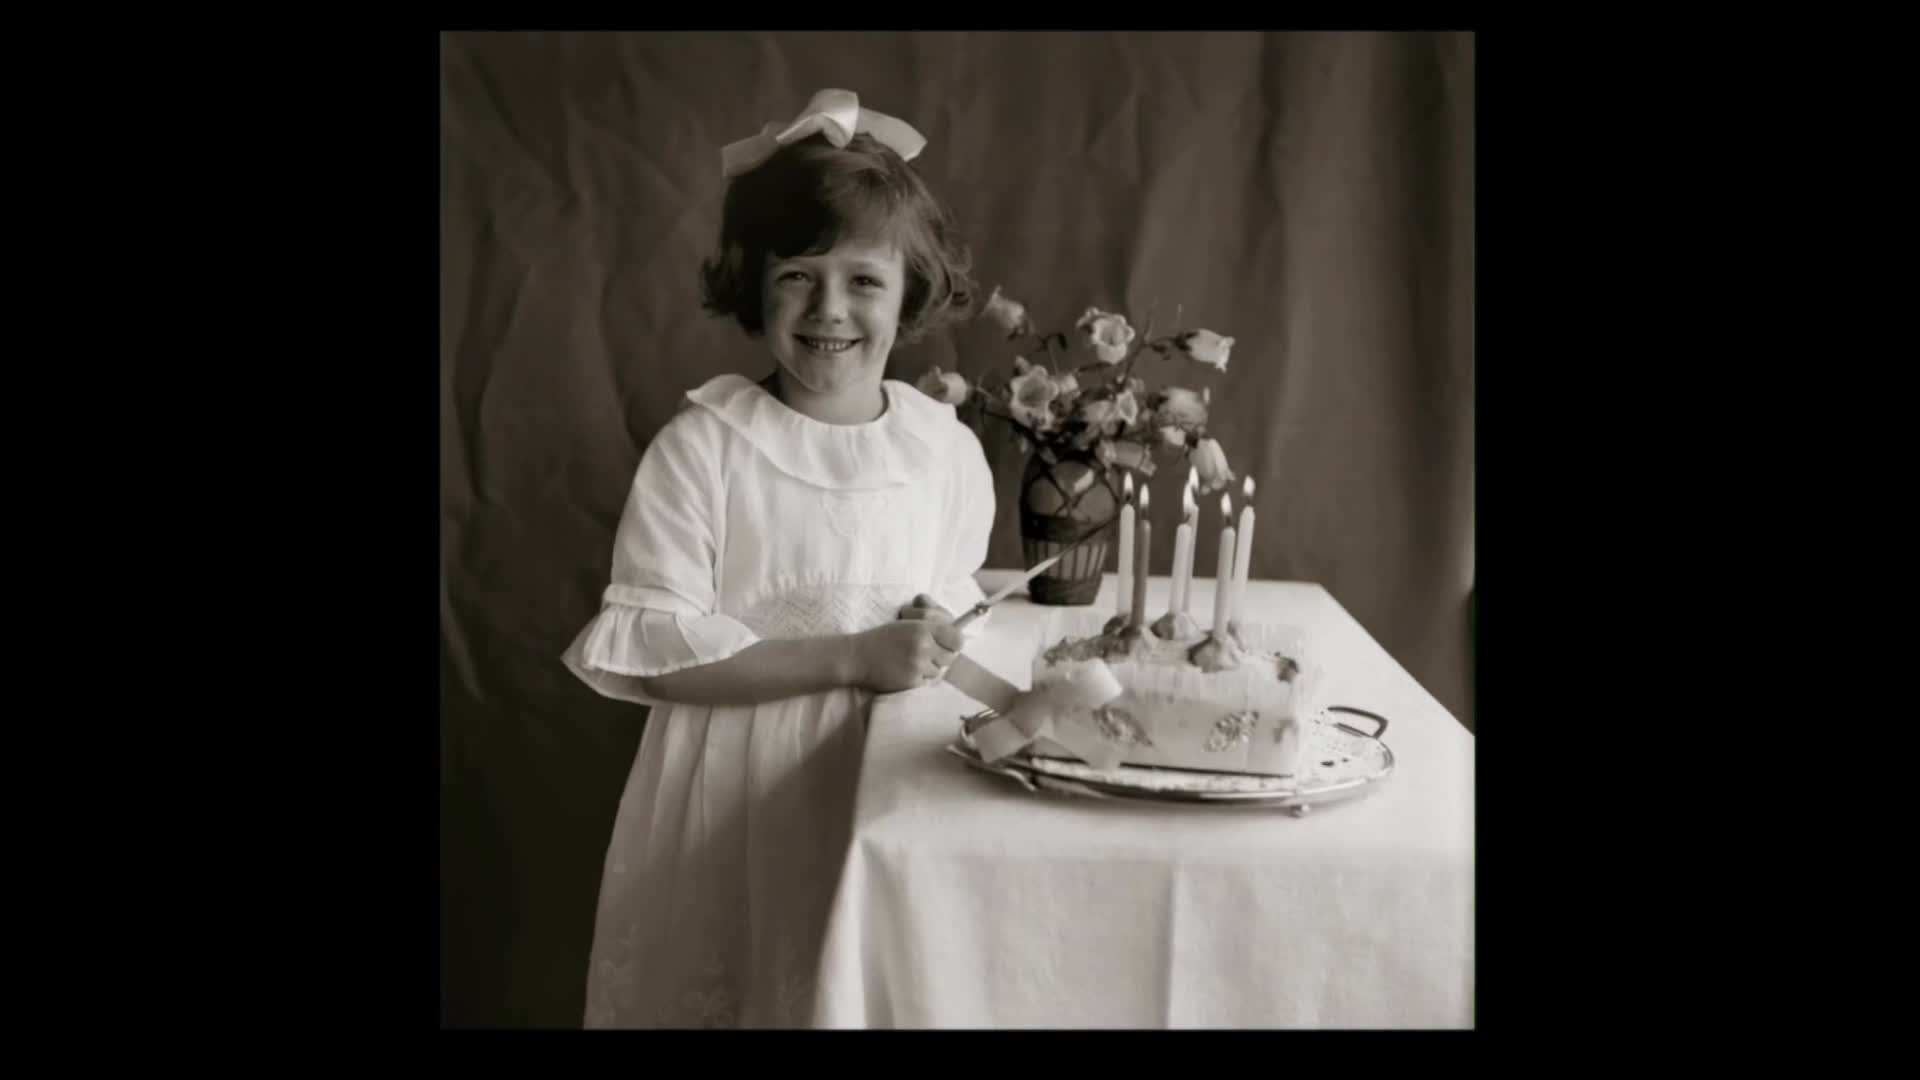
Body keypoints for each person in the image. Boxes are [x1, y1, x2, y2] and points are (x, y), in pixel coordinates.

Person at [561, 89, 996, 1029]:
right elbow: (659, 657)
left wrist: (937, 634)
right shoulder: (704, 446)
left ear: (909, 290)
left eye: (863, 281)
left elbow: (948, 615)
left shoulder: (944, 448)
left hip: (885, 794)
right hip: (736, 800)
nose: (830, 309)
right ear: (752, 285)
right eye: (798, 275)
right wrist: (849, 657)